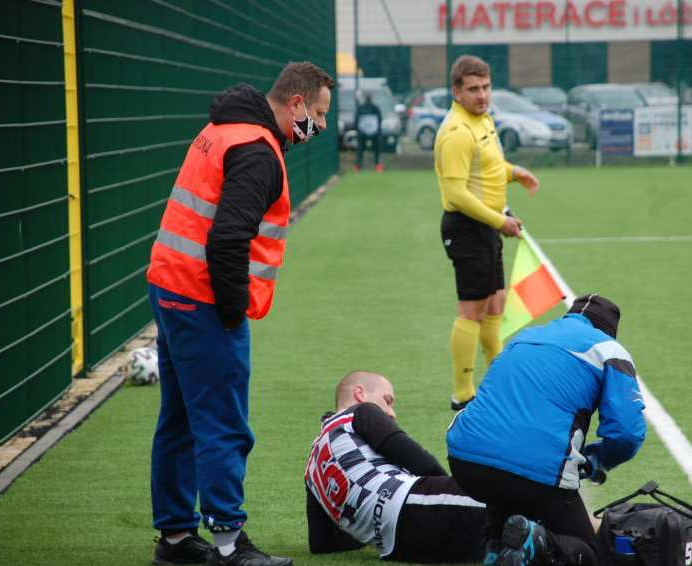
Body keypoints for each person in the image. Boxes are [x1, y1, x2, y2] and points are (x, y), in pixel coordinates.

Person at [145, 62, 334, 566]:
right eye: (316, 115)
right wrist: (231, 312)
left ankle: (177, 540)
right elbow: (227, 238)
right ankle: (229, 542)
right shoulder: (257, 151)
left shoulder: (223, 127)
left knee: (180, 420)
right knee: (223, 423)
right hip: (202, 298)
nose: (319, 128)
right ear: (294, 103)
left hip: (168, 284)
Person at [447, 294, 644, 565]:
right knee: (588, 552)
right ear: (610, 331)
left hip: (465, 461)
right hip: (536, 473)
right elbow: (627, 433)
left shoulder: (524, 337)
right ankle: (536, 542)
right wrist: (597, 460)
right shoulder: (609, 350)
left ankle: (495, 550)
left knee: (502, 491)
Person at [434, 55, 540, 411]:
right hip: (468, 228)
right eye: (473, 89)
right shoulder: (456, 132)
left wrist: (515, 172)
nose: (482, 95)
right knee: (472, 311)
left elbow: (489, 168)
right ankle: (462, 393)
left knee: (495, 305)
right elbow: (456, 195)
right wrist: (500, 222)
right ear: (457, 92)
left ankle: (498, 379)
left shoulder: (483, 120)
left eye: (486, 87)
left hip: (488, 224)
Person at [304, 371, 488, 563]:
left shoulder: (311, 469)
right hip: (413, 504)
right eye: (388, 400)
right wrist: (454, 486)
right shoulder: (359, 412)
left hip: (398, 546)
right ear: (360, 394)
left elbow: (322, 544)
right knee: (505, 498)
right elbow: (419, 461)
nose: (392, 413)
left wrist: (369, 527)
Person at [355, 93, 383, 172]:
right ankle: (358, 166)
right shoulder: (361, 108)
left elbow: (379, 120)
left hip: (374, 133)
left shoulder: (375, 108)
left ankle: (377, 165)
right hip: (363, 132)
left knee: (376, 148)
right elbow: (357, 121)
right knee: (360, 149)